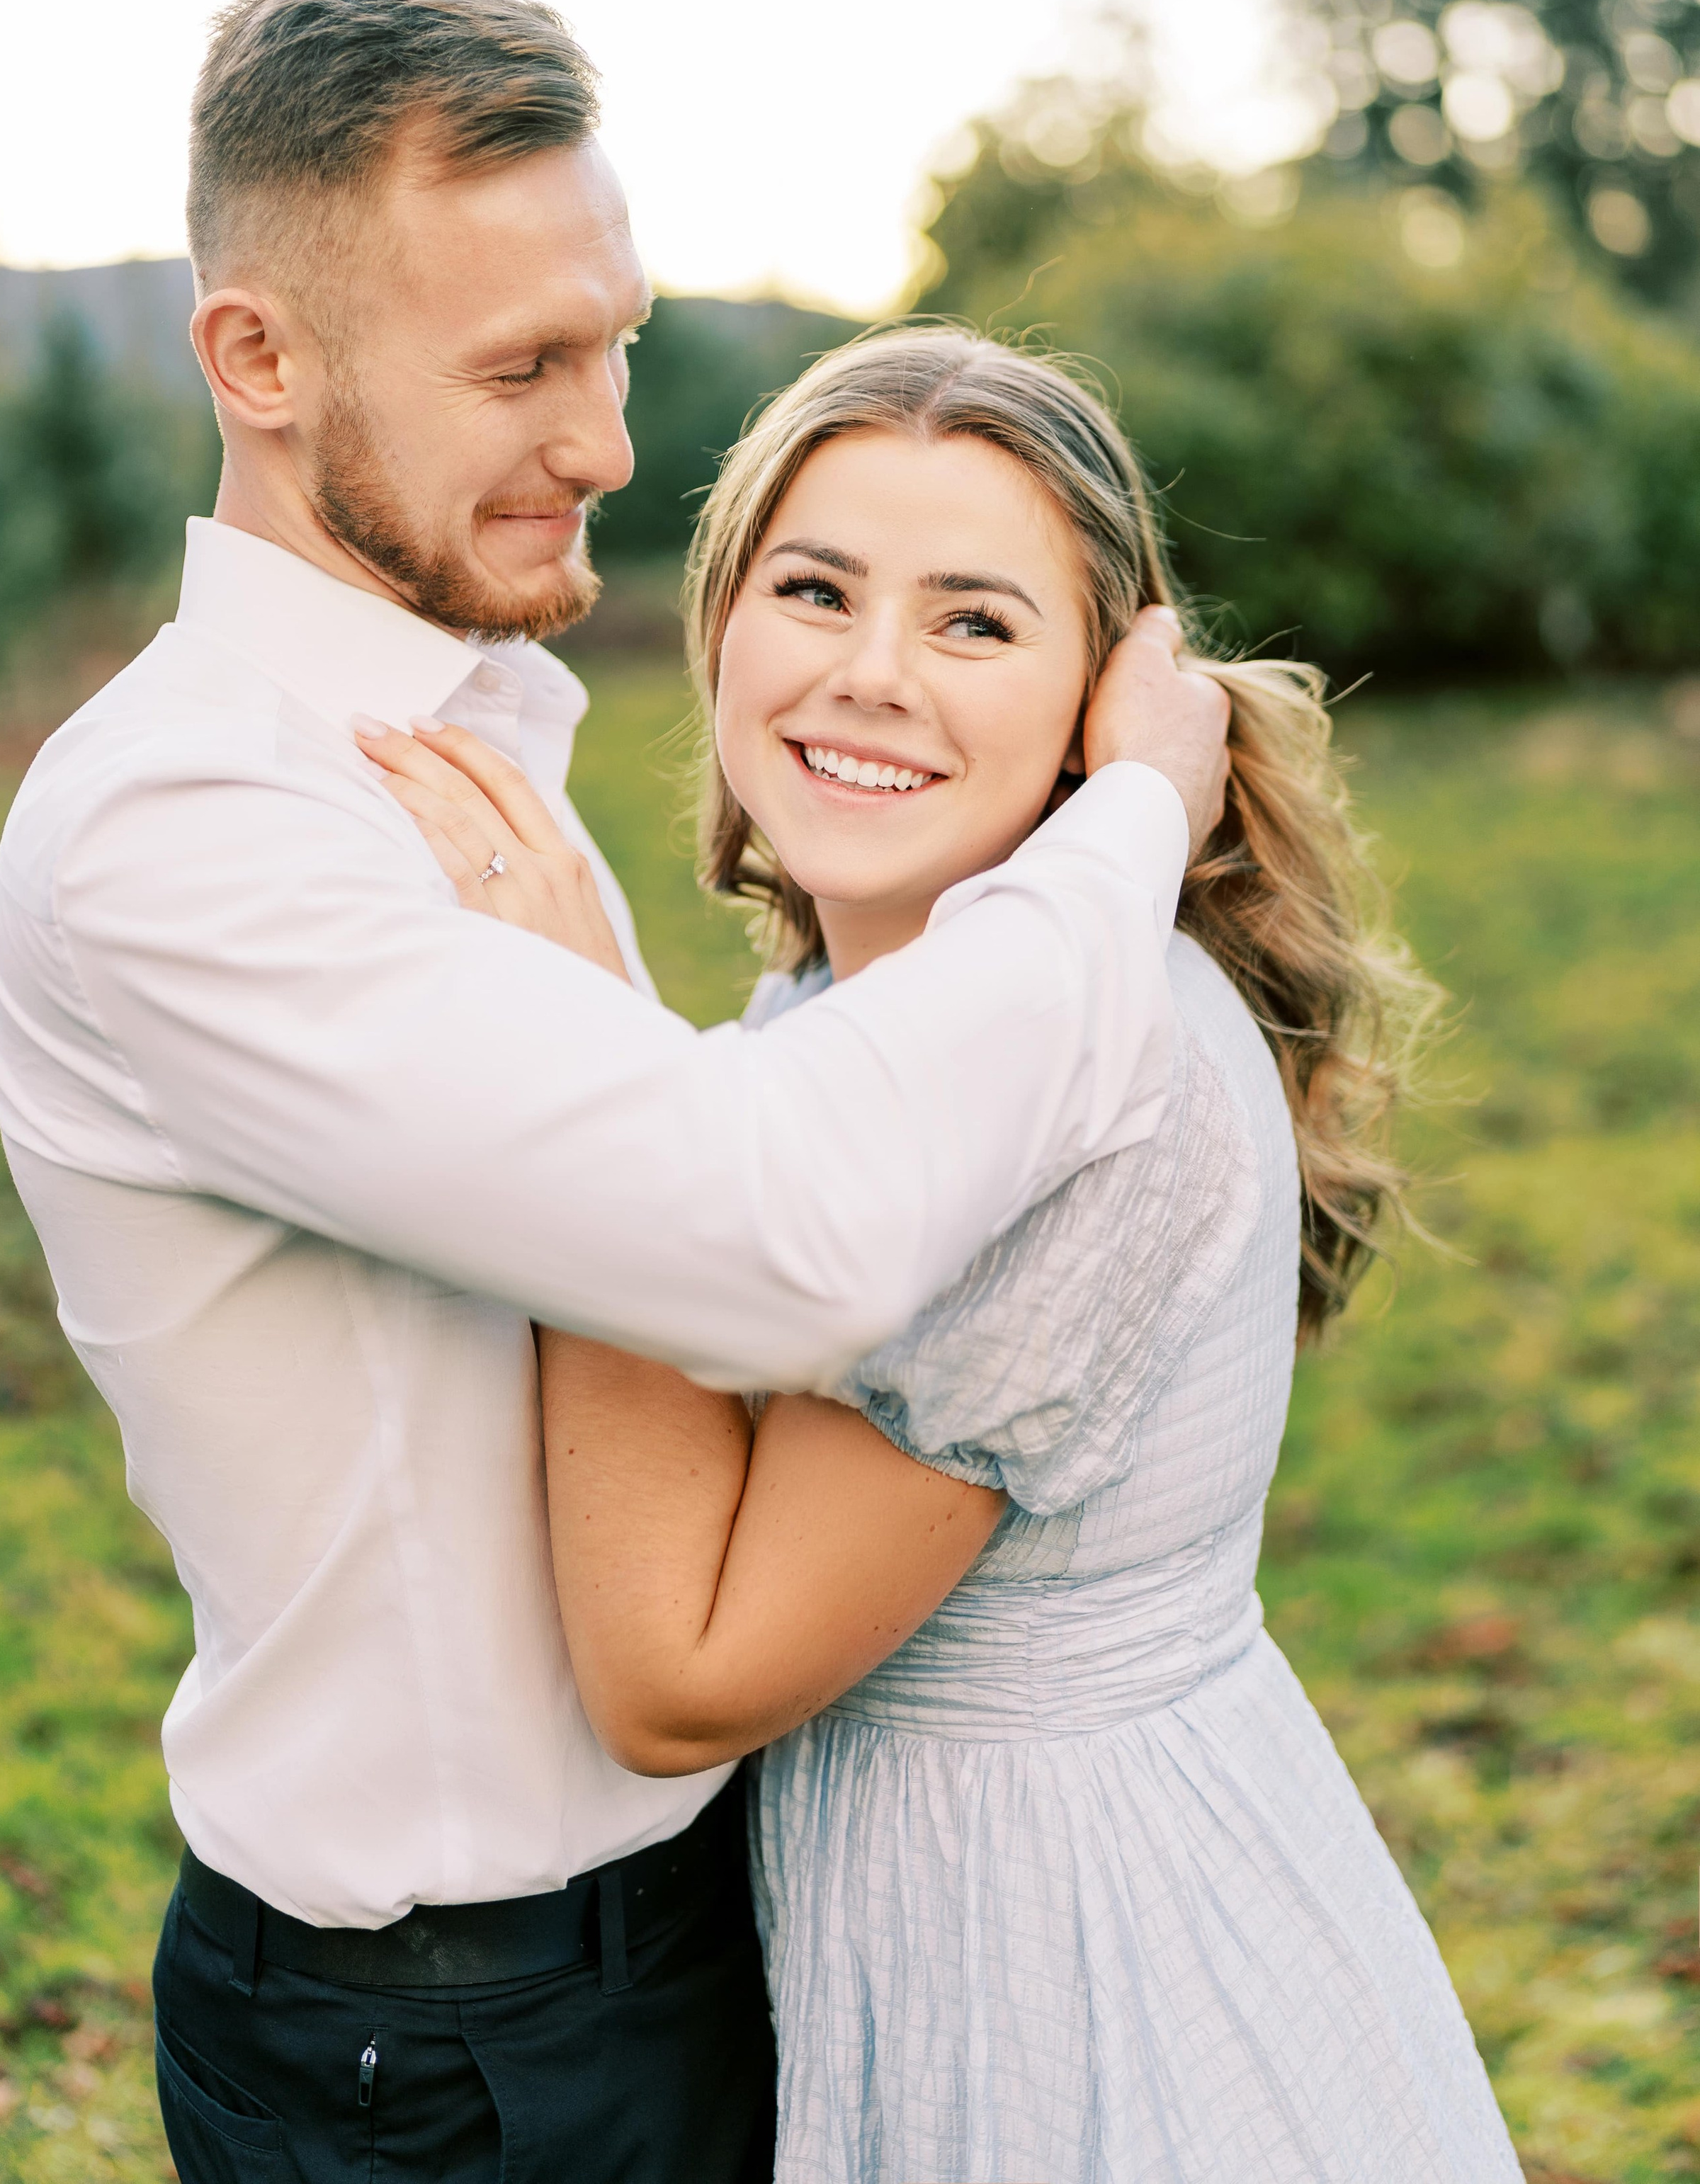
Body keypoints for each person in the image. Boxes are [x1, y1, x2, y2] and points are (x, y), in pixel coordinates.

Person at [0, 0, 1230, 2183]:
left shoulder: (473, 746)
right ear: (257, 362)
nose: (614, 444)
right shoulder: (191, 835)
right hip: (449, 2041)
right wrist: (1130, 821)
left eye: (618, 341)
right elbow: (766, 1247)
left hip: (682, 1926)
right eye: (523, 369)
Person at [383, 331, 1524, 2182]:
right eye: (814, 588)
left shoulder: (1104, 1084)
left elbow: (688, 1669)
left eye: (977, 622)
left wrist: (579, 1085)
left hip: (1091, 1988)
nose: (870, 674)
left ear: (1107, 697)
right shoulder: (882, 979)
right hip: (935, 1910)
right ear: (722, 621)